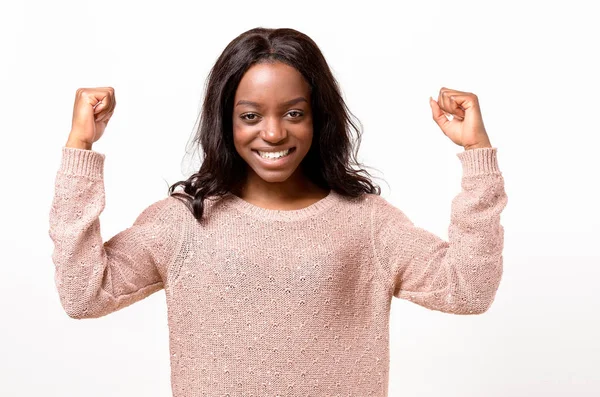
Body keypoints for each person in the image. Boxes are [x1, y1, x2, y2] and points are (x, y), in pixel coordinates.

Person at [49, 27, 508, 396]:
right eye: (250, 116)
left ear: (318, 117)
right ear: (225, 122)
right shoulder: (184, 222)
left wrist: (476, 155)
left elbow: (468, 289)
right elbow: (83, 293)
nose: (272, 133)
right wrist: (81, 147)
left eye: (293, 113)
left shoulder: (366, 222)